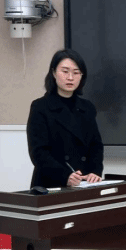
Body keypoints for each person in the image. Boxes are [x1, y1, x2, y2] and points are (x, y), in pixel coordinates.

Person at [27, 49, 103, 188]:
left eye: (76, 72)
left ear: (82, 76)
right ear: (54, 73)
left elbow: (95, 146)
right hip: (51, 183)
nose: (70, 77)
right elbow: (38, 152)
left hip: (84, 182)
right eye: (65, 71)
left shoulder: (88, 107)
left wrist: (95, 171)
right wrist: (65, 176)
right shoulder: (40, 107)